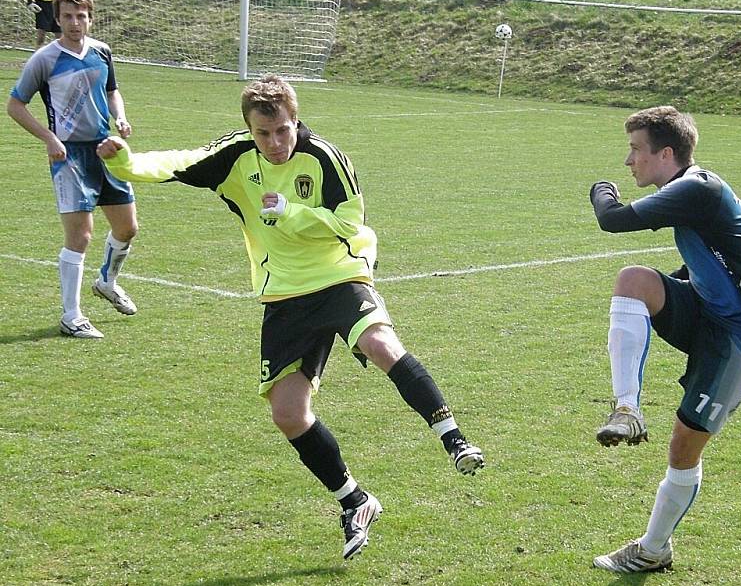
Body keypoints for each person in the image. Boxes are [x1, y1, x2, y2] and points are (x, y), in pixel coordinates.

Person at [96, 74, 485, 560]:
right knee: (288, 414)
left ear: (294, 119)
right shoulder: (236, 156)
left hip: (340, 272)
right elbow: (177, 163)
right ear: (250, 130)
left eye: (283, 130)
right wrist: (125, 161)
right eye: (264, 134)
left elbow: (350, 222)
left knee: (379, 344)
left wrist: (293, 211)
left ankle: (454, 439)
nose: (275, 142)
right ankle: (355, 501)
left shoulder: (324, 156)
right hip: (283, 292)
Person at [588, 106, 741, 572]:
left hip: (737, 338)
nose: (629, 161)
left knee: (683, 446)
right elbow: (715, 258)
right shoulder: (692, 191)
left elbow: (612, 219)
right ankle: (626, 410)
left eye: (635, 149)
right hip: (706, 309)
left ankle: (653, 549)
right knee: (634, 280)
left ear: (665, 153)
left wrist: (600, 191)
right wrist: (667, 294)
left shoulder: (695, 188)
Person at [8, 0, 140, 339]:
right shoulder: (45, 59)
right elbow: (16, 105)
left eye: (81, 16)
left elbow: (112, 91)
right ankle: (71, 315)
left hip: (106, 150)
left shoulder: (101, 51)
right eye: (68, 16)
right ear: (58, 20)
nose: (75, 22)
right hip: (68, 155)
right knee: (80, 236)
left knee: (127, 229)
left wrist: (121, 117)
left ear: (90, 18)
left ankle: (107, 282)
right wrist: (49, 138)